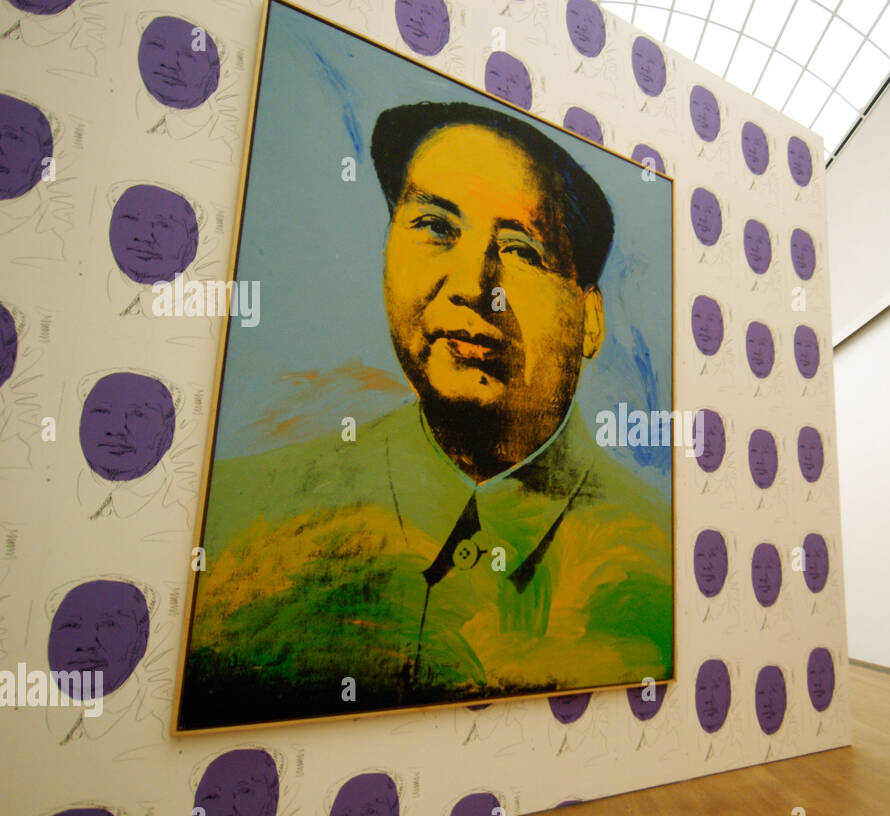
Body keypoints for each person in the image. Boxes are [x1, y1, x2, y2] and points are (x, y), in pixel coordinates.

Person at [180, 101, 672, 730]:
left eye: (521, 250)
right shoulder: (233, 521)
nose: (473, 283)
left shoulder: (661, 566)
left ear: (591, 319)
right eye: (437, 227)